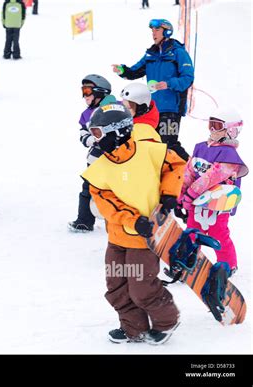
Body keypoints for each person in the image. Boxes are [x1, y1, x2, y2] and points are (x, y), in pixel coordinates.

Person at [81, 103, 186, 344]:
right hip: (119, 237)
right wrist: (132, 220)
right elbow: (106, 201)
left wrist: (169, 194)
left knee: (141, 287)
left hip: (145, 237)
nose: (94, 139)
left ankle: (166, 321)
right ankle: (134, 328)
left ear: (117, 132)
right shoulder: (99, 166)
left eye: (97, 133)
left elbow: (175, 165)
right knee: (116, 285)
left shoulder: (148, 151)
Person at [178, 107, 248, 274]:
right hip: (196, 202)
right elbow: (189, 170)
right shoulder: (201, 147)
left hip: (218, 203)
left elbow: (212, 176)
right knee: (192, 231)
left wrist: (190, 194)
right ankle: (187, 260)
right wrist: (182, 192)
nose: (211, 129)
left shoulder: (229, 155)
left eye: (217, 125)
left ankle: (227, 265)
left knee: (218, 233)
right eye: (210, 124)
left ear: (231, 130)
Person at [112, 19, 194, 161]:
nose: (153, 34)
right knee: (151, 144)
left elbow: (188, 78)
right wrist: (123, 70)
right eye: (152, 31)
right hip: (152, 110)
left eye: (156, 30)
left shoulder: (178, 53)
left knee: (170, 145)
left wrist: (169, 84)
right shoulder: (151, 54)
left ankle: (191, 170)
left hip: (171, 109)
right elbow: (135, 71)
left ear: (166, 31)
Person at [68, 74, 115, 233]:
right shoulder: (86, 115)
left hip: (117, 159)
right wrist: (91, 140)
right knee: (88, 189)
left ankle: (118, 221)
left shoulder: (116, 107)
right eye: (83, 91)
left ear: (100, 92)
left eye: (88, 91)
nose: (84, 96)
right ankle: (84, 221)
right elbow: (83, 133)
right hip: (95, 159)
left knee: (116, 190)